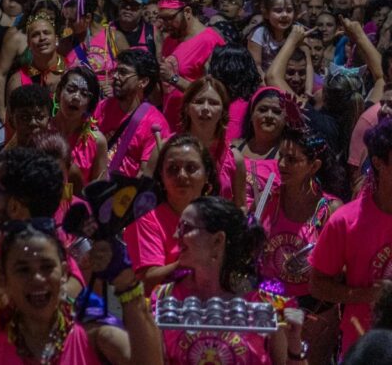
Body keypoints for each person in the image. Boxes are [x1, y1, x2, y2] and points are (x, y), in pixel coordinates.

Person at [0, 193, 163, 364]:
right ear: (4, 280)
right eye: (23, 270)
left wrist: (128, 285)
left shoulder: (96, 339)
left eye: (47, 267)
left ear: (65, 272)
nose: (37, 278)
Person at [154, 196, 302, 364]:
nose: (175, 235)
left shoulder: (267, 305)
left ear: (218, 240)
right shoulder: (164, 298)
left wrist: (295, 342)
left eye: (185, 228)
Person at [258, 132, 343, 364]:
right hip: (272, 309)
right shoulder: (267, 198)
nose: (283, 164)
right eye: (281, 157)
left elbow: (340, 271)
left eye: (292, 160)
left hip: (315, 314)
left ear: (314, 165)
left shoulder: (330, 210)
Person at [310, 117, 392, 355]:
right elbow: (317, 285)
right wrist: (369, 295)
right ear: (378, 163)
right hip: (365, 350)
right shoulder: (345, 221)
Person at [125, 135, 218, 292]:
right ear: (161, 175)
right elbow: (147, 282)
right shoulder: (146, 220)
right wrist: (190, 260)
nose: (181, 175)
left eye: (191, 168)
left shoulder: (218, 217)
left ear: (206, 175)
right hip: (163, 311)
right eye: (173, 169)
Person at [157, 0, 226, 128]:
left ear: (187, 11)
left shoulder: (210, 41)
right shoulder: (170, 39)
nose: (164, 24)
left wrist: (173, 78)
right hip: (170, 124)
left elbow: (216, 93)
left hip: (196, 126)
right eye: (162, 19)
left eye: (169, 18)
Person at [94, 48, 170, 177]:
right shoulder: (103, 107)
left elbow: (145, 174)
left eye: (123, 72)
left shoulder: (155, 124)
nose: (116, 77)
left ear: (143, 82)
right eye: (116, 71)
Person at [179, 76, 247, 204]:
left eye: (213, 103)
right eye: (198, 101)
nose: (205, 108)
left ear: (223, 112)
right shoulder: (167, 149)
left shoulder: (234, 159)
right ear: (187, 108)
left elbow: (241, 207)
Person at [235, 87, 300, 204]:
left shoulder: (287, 157)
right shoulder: (232, 148)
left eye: (277, 112)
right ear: (251, 115)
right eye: (263, 109)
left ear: (286, 119)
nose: (269, 115)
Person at [51, 68, 107, 189]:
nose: (76, 97)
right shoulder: (42, 130)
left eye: (84, 94)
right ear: (59, 91)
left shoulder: (98, 141)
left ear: (89, 103)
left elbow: (98, 191)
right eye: (71, 90)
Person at [4, 9, 65, 102]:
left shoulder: (71, 71)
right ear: (28, 43)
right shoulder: (17, 81)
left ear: (56, 39)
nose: (42, 38)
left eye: (46, 32)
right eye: (35, 35)